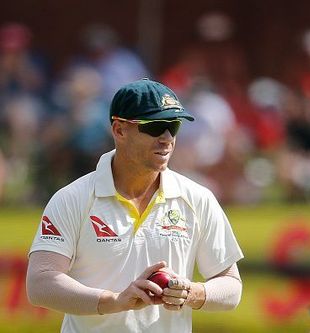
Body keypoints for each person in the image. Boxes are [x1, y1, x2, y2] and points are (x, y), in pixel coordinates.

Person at [26, 78, 244, 333]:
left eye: (173, 126)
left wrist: (191, 292)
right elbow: (40, 284)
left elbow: (231, 286)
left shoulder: (197, 198)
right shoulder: (73, 198)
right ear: (119, 130)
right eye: (155, 127)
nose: (167, 138)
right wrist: (114, 301)